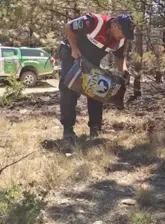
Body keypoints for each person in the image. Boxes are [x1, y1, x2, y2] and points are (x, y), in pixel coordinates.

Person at [57, 13, 135, 143]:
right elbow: (69, 26)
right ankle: (68, 130)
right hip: (73, 56)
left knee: (97, 91)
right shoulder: (94, 22)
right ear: (115, 26)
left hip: (92, 62)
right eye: (123, 33)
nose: (123, 37)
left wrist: (124, 70)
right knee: (68, 90)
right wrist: (74, 48)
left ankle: (95, 128)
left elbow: (119, 57)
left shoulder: (120, 40)